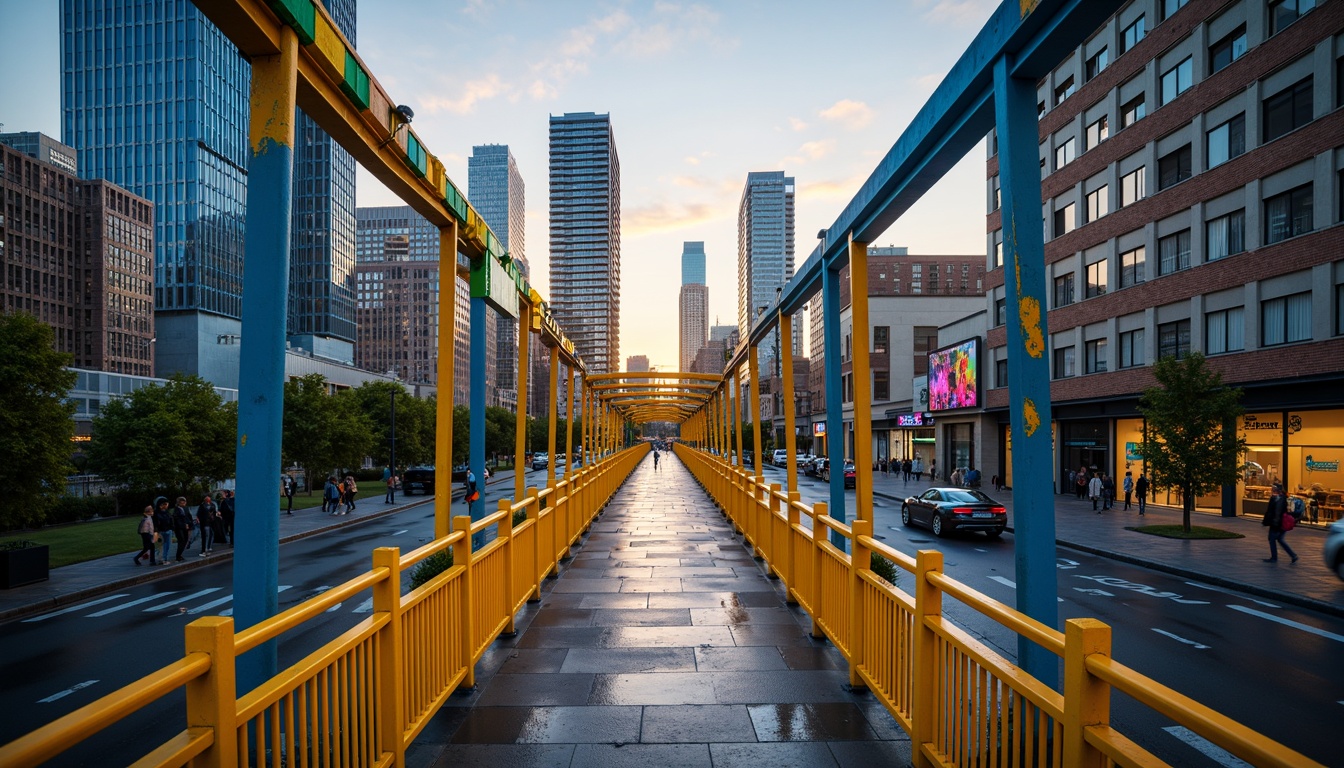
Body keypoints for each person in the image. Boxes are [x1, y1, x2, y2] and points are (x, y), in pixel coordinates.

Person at [1262, 483, 1298, 563]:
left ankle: (1274, 557)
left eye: (1274, 488)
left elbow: (1276, 512)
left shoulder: (1279, 499)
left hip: (1278, 523)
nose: (1272, 490)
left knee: (1272, 539)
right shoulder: (1278, 498)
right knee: (1280, 539)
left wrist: (1273, 522)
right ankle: (1293, 555)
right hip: (1280, 522)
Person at [171, 496, 194, 562]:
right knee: (181, 540)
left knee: (185, 540)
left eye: (184, 503)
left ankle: (180, 554)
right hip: (179, 528)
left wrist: (190, 524)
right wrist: (184, 525)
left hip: (186, 527)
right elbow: (177, 520)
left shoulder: (186, 508)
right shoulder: (176, 510)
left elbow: (189, 517)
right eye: (182, 503)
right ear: (179, 503)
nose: (183, 504)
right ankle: (178, 556)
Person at [152, 496, 173, 565]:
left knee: (167, 546)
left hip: (168, 530)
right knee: (161, 546)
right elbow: (155, 523)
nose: (166, 506)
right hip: (161, 531)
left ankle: (165, 558)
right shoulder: (156, 513)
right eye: (165, 504)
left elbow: (170, 520)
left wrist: (172, 527)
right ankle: (161, 559)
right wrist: (156, 532)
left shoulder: (167, 512)